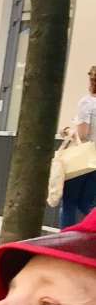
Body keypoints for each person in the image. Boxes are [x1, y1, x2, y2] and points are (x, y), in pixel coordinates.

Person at [60, 66, 96, 229]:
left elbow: (82, 135)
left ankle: (64, 239)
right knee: (86, 203)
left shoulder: (87, 103)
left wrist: (67, 130)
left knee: (69, 203)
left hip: (82, 159)